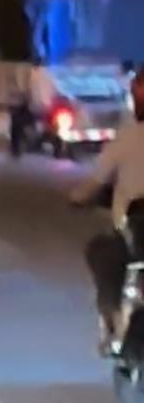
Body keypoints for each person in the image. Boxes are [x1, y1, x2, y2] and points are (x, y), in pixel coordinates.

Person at [70, 68, 144, 349]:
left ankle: (112, 322)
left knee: (103, 253)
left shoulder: (127, 138)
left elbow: (94, 182)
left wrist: (78, 199)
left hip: (134, 233)